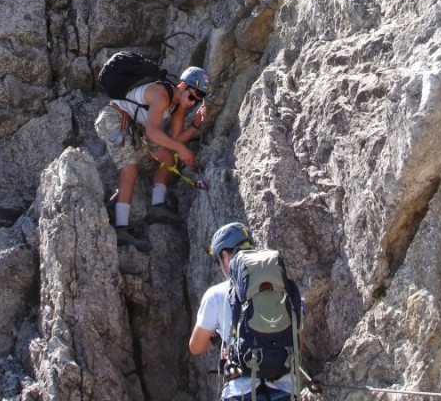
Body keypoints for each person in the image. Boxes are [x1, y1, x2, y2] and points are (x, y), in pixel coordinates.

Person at [95, 66, 210, 250]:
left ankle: (157, 206)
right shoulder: (160, 94)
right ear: (182, 85)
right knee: (129, 169)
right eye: (191, 96)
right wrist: (181, 148)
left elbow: (173, 142)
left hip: (134, 129)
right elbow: (152, 132)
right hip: (115, 118)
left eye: (197, 100)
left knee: (169, 158)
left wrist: (194, 125)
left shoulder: (178, 107)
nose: (191, 103)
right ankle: (121, 229)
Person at [189, 222, 293, 401]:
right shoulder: (282, 288)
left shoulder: (216, 295)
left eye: (218, 260)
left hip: (240, 391)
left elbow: (195, 346)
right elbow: (299, 340)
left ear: (224, 256)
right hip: (285, 390)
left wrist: (213, 342)